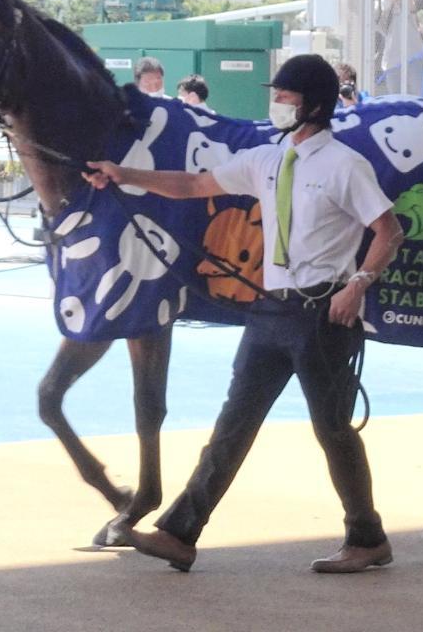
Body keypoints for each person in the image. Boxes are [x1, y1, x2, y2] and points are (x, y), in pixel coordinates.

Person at [84, 54, 403, 573]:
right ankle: (179, 533)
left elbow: (389, 231)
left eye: (285, 97)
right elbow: (192, 185)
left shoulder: (346, 165)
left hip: (323, 314)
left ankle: (367, 537)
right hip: (269, 309)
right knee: (233, 424)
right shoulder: (267, 159)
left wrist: (360, 284)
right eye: (276, 95)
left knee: (333, 431)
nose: (275, 104)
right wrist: (123, 175)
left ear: (314, 106)